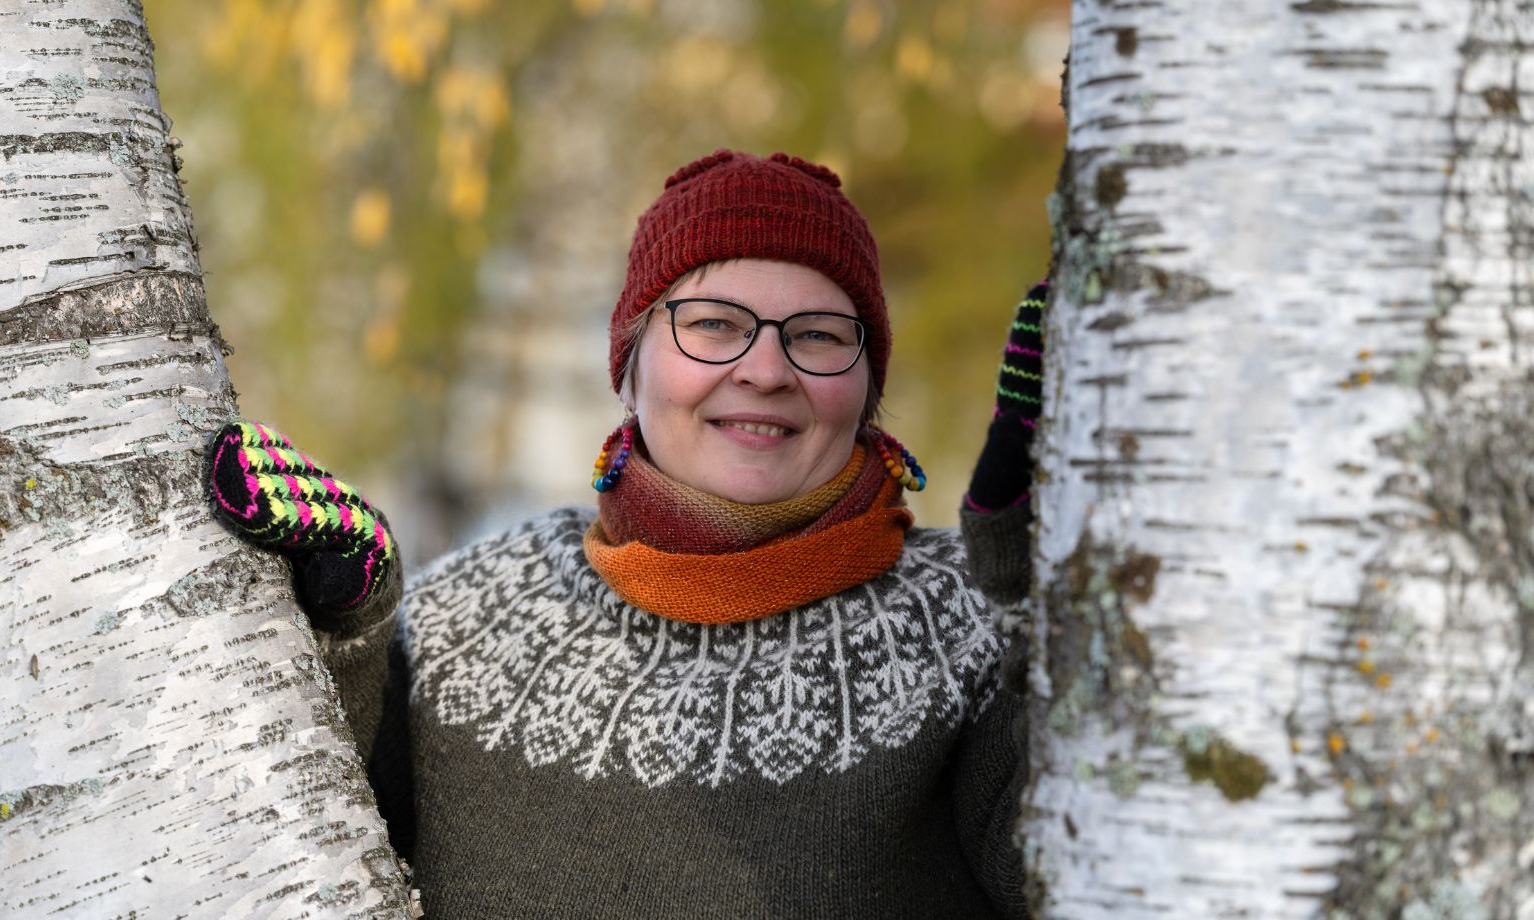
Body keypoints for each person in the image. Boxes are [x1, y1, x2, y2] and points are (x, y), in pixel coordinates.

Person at [207, 149, 1046, 918]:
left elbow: (1076, 877)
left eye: (819, 336)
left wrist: (1047, 594)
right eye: (713, 324)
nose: (765, 370)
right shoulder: (473, 611)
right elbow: (286, 856)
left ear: (866, 388)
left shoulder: (971, 620)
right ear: (629, 366)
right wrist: (344, 628)